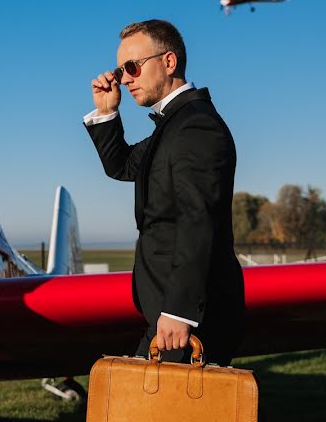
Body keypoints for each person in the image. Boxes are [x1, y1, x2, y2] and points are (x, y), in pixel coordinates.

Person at [84, 19, 245, 366]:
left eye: (132, 67)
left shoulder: (195, 126)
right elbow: (122, 166)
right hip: (169, 317)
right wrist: (107, 113)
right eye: (120, 69)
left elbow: (197, 218)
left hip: (189, 320)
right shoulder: (173, 126)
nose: (125, 79)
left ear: (168, 62)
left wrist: (180, 310)